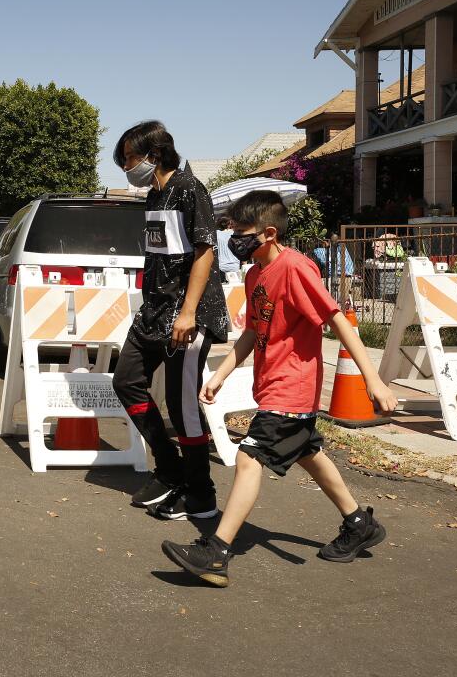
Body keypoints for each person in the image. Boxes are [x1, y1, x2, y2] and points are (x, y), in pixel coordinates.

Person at [160, 190, 398, 587]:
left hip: (293, 388)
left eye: (241, 229)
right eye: (231, 227)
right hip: (271, 386)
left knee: (250, 457)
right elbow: (253, 332)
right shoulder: (255, 273)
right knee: (308, 452)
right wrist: (220, 375)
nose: (233, 236)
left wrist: (372, 379)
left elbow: (336, 319)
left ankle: (216, 552)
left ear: (269, 233)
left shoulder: (296, 268)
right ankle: (359, 523)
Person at [111, 121, 230, 521]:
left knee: (183, 409)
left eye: (129, 157)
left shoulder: (189, 189)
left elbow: (204, 251)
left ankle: (201, 495)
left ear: (154, 153)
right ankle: (170, 469)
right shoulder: (154, 197)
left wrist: (189, 311)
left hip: (187, 316)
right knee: (126, 380)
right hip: (154, 314)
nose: (125, 165)